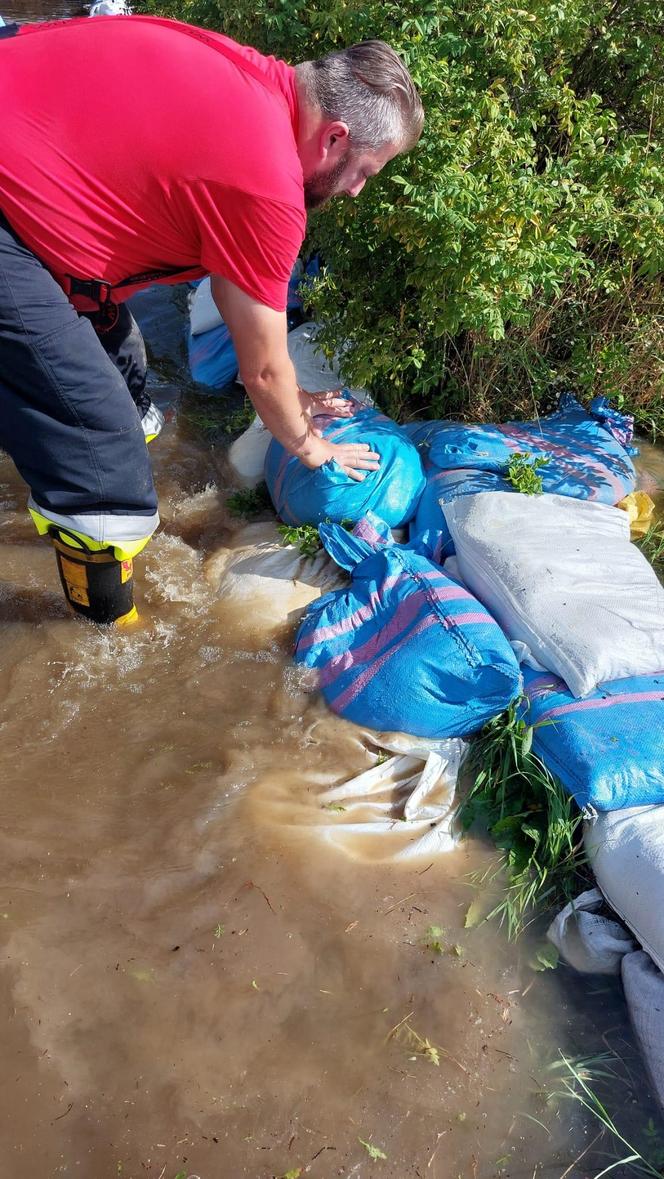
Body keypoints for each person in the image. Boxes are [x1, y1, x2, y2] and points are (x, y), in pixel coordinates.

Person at [0, 15, 424, 623]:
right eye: (365, 170)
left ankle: (54, 474)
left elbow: (249, 321)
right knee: (104, 467)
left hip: (31, 188)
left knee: (122, 374)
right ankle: (106, 632)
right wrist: (309, 447)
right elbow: (262, 373)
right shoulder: (268, 187)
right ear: (334, 137)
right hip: (12, 217)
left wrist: (292, 393)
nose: (356, 190)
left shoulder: (251, 74)